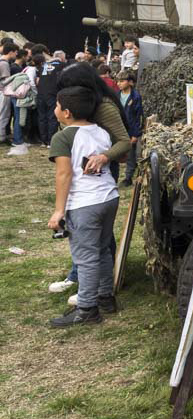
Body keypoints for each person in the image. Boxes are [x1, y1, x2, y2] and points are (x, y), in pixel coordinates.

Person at [48, 62, 131, 297]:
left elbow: (124, 141)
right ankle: (85, 280)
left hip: (99, 175)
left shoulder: (103, 106)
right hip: (84, 175)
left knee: (95, 235)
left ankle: (95, 292)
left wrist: (104, 157)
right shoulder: (80, 107)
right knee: (85, 236)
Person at [46, 86, 121, 326]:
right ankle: (105, 296)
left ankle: (87, 308)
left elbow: (64, 175)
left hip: (84, 203)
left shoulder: (63, 136)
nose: (55, 109)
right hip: (108, 197)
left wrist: (59, 211)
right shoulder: (100, 131)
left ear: (66, 112)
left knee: (86, 256)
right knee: (102, 250)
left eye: (57, 106)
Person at [116, 71, 144, 186]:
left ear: (130, 82)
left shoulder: (135, 97)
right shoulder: (116, 95)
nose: (119, 84)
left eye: (122, 81)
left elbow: (138, 117)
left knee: (130, 155)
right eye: (118, 81)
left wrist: (135, 134)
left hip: (130, 130)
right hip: (117, 129)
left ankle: (128, 177)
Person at [37, 49, 66, 146]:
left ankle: (43, 141)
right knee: (52, 117)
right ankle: (50, 141)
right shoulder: (62, 66)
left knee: (42, 117)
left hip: (41, 94)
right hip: (53, 94)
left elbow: (38, 80)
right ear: (62, 58)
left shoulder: (44, 66)